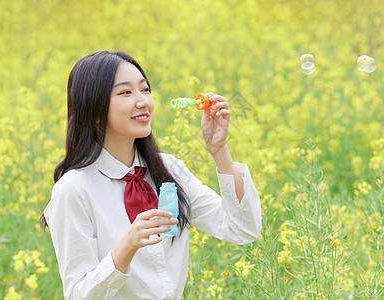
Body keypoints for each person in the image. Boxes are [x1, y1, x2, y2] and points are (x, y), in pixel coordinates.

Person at [41, 50, 261, 300]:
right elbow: (78, 295)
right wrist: (127, 245)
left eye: (145, 90)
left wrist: (219, 150)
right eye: (126, 92)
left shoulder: (170, 170)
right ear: (95, 110)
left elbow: (243, 229)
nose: (143, 101)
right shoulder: (73, 190)